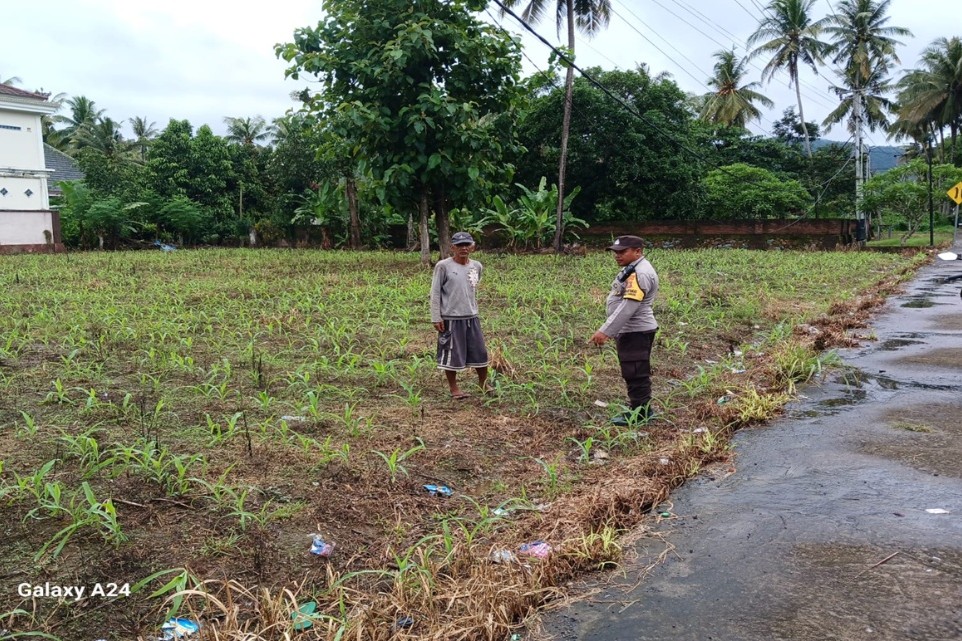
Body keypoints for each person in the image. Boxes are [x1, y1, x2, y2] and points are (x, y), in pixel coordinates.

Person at [589, 235, 659, 425]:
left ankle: (641, 414)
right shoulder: (634, 268)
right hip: (632, 330)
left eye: (622, 252)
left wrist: (605, 331)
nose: (617, 256)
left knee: (635, 371)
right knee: (633, 370)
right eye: (615, 252)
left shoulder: (641, 273)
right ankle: (640, 408)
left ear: (638, 251)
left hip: (636, 330)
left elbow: (628, 306)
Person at [430, 231, 490, 399]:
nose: (464, 248)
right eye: (460, 245)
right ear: (452, 247)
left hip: (471, 316)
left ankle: (483, 383)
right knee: (452, 354)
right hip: (450, 317)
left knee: (480, 351)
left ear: (472, 247)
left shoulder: (476, 266)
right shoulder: (443, 266)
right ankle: (454, 388)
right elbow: (435, 293)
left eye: (467, 245)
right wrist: (436, 317)